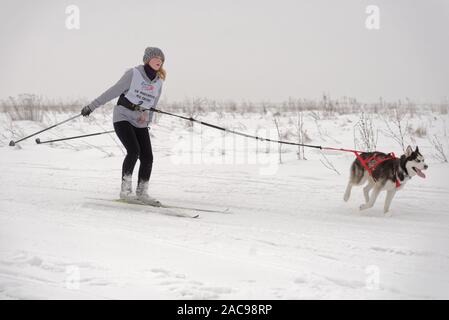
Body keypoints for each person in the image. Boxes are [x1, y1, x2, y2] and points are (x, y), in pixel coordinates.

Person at [80, 47, 166, 206]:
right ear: (147, 59)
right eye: (155, 57)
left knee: (148, 157)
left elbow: (152, 104)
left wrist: (146, 121)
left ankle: (142, 193)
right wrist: (91, 107)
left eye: (161, 58)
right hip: (123, 116)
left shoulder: (159, 83)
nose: (159, 60)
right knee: (134, 151)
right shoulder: (133, 74)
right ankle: (125, 191)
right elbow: (112, 92)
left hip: (140, 121)